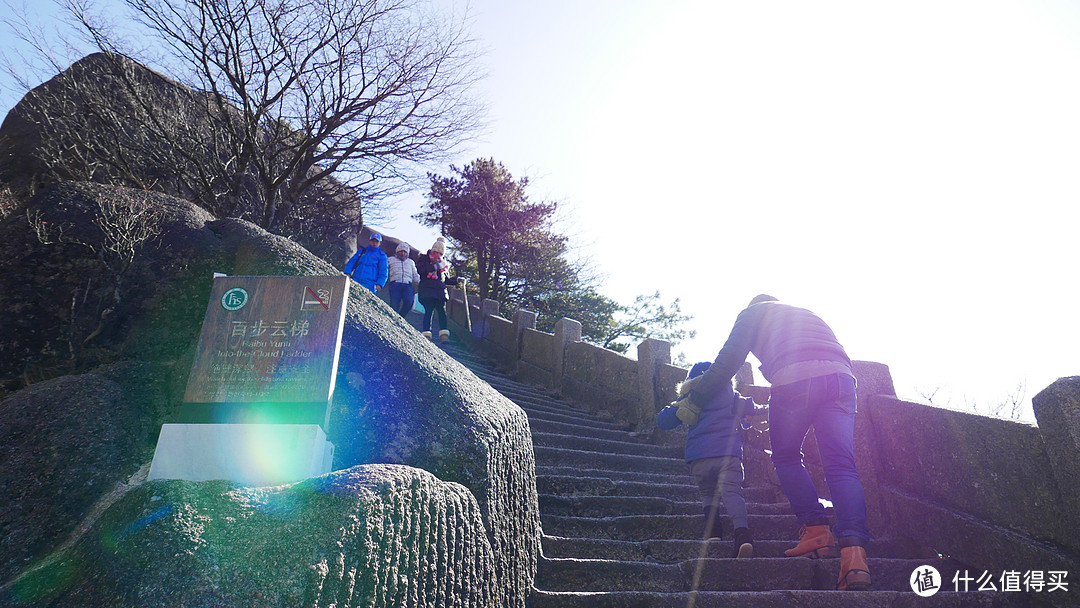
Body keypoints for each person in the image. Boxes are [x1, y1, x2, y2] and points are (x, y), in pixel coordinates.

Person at [675, 294, 871, 590]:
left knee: (787, 457)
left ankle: (817, 530)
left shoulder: (753, 313)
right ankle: (854, 558)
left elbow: (728, 361)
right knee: (842, 466)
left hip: (795, 377)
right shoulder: (805, 311)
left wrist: (695, 398)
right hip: (842, 379)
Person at [657, 361, 762, 558]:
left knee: (708, 493)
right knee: (732, 493)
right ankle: (742, 535)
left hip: (700, 458)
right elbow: (752, 407)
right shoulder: (732, 396)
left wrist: (676, 403)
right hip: (728, 454)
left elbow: (663, 421)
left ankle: (713, 532)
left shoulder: (691, 399)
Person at [416, 237, 465, 343]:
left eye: (440, 253)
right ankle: (426, 333)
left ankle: (444, 335)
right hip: (427, 290)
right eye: (435, 252)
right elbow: (422, 270)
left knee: (442, 312)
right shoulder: (424, 259)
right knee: (429, 311)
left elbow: (446, 279)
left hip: (440, 292)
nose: (437, 255)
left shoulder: (443, 264)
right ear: (432, 250)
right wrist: (436, 266)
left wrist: (457, 280)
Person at [387, 241, 420, 317]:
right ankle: (393, 319)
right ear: (397, 251)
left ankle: (401, 317)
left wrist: (420, 283)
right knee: (394, 304)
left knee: (409, 302)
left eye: (405, 252)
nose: (402, 253)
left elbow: (415, 274)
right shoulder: (390, 259)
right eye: (401, 251)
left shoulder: (411, 262)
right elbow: (384, 270)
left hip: (407, 285)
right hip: (395, 284)